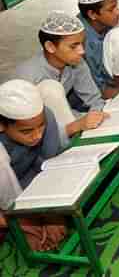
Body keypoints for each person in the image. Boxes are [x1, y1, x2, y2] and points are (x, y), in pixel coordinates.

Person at [14, 12, 108, 141]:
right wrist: (74, 127)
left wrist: (97, 116)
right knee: (50, 88)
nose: (82, 51)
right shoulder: (26, 77)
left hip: (66, 120)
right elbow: (22, 130)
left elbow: (94, 100)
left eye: (82, 43)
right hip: (38, 135)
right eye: (73, 46)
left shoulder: (76, 62)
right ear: (50, 46)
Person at [0, 80, 67, 251]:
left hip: (26, 179)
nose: (37, 136)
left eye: (41, 127)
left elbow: (49, 166)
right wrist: (25, 223)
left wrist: (49, 213)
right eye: (26, 132)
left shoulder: (46, 115)